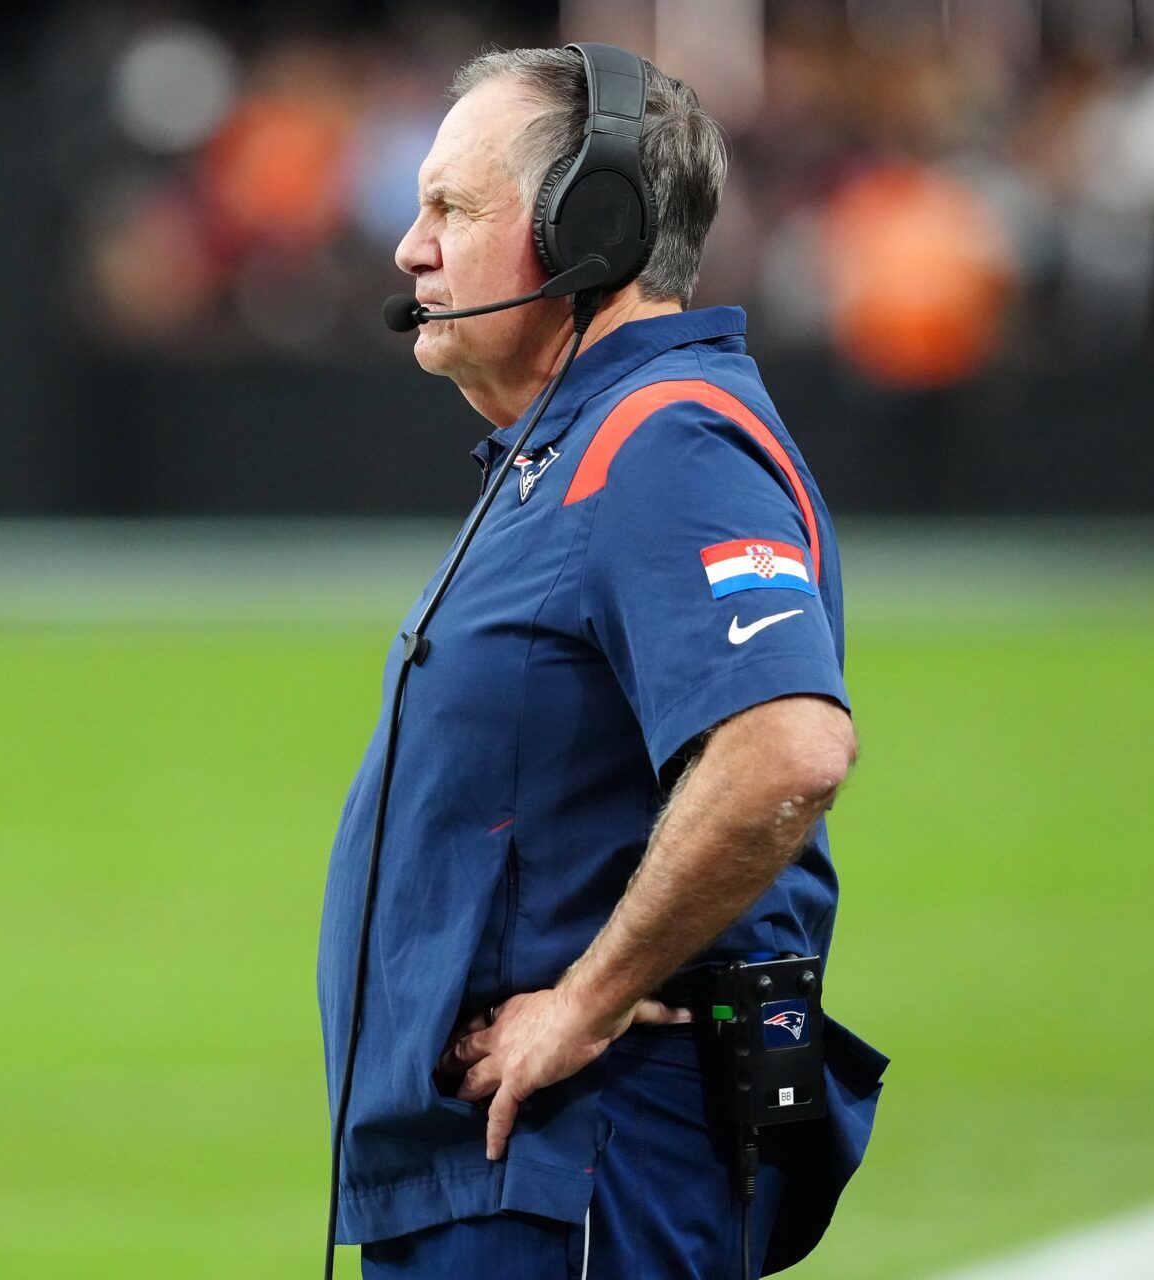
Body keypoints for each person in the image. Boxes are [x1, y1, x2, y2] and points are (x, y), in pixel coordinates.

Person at [316, 45, 889, 1278]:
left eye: (450, 209)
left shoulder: (663, 443)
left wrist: (581, 1000)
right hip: (507, 1171)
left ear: (594, 226)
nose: (410, 248)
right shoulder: (568, 449)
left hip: (576, 1170)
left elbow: (786, 747)